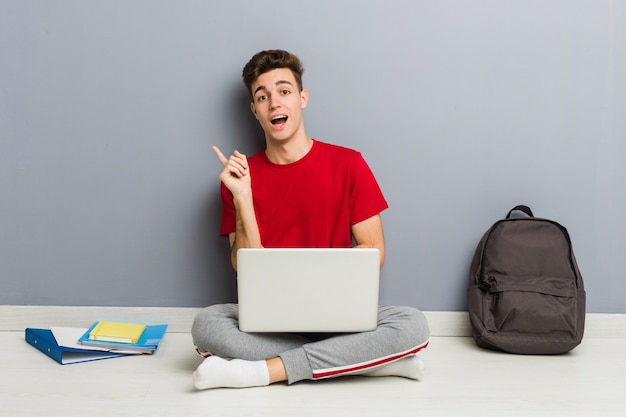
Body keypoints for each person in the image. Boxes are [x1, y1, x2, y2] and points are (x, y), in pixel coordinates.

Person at [191, 49, 430, 390]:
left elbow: (374, 251)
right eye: (263, 96)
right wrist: (243, 197)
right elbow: (243, 264)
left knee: (413, 323)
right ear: (254, 110)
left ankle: (262, 372)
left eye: (284, 91)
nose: (275, 103)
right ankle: (363, 362)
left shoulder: (349, 164)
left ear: (302, 98)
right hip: (270, 323)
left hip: (342, 319)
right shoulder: (238, 178)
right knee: (207, 324)